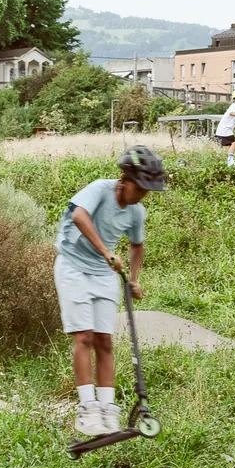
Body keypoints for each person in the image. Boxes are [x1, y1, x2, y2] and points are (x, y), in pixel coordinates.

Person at [54, 145, 166, 437]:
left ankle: (107, 411)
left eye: (147, 190)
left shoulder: (136, 212)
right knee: (85, 336)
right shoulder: (99, 190)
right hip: (73, 266)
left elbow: (137, 245)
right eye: (139, 187)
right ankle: (87, 409)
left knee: (105, 340)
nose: (142, 195)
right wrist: (105, 252)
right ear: (123, 179)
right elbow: (80, 216)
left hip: (104, 273)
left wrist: (134, 279)